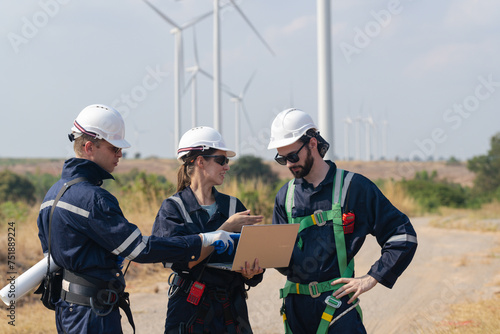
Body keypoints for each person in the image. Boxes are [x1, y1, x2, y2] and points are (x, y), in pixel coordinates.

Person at [37, 104, 236, 334]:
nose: (120, 154)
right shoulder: (94, 199)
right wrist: (204, 240)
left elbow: (50, 256)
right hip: (93, 316)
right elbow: (139, 249)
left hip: (69, 312)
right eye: (114, 148)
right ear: (90, 146)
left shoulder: (51, 195)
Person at [267, 108, 418, 334]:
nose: (288, 164)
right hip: (296, 311)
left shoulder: (354, 188)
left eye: (292, 156)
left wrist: (372, 277)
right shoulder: (285, 196)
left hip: (337, 309)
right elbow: (281, 262)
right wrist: (258, 260)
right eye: (282, 159)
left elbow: (402, 235)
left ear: (312, 144)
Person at [152, 126, 265, 334]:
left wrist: (252, 273)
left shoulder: (233, 206)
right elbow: (184, 260)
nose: (227, 167)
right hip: (189, 311)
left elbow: (253, 263)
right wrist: (225, 229)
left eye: (227, 161)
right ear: (200, 161)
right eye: (221, 160)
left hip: (231, 312)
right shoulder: (173, 209)